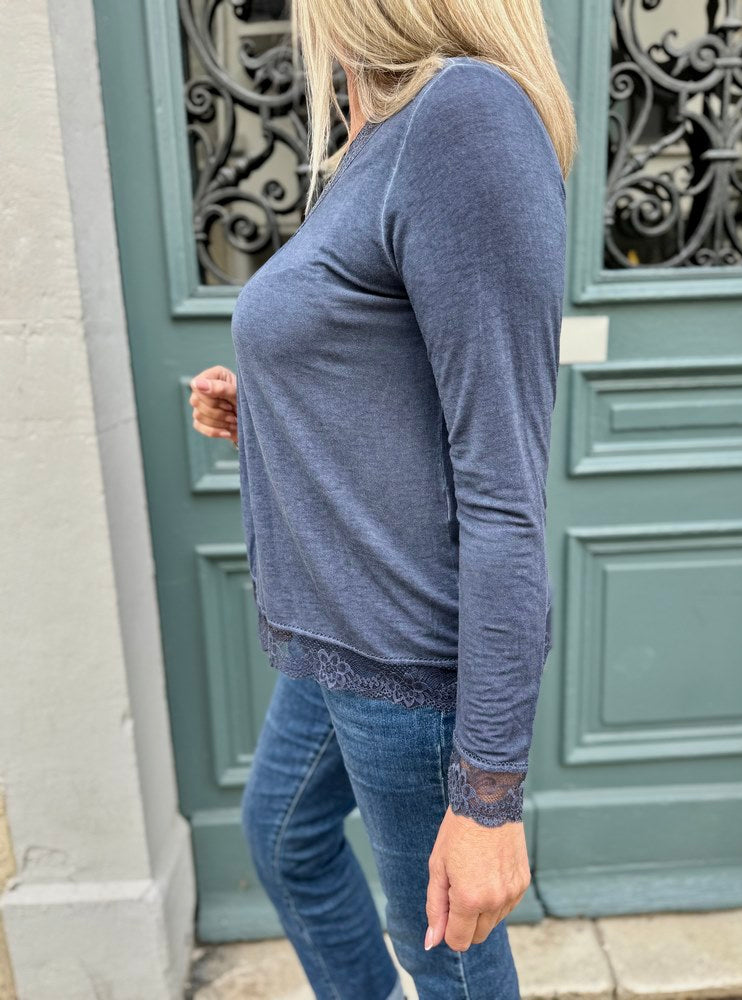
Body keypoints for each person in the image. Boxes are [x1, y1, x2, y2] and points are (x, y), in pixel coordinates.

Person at [190, 1, 576, 996]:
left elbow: (504, 492)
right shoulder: (380, 135)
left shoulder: (464, 119)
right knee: (286, 838)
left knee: (444, 953)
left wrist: (488, 799)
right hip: (335, 637)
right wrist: (268, 410)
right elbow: (389, 376)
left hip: (407, 662)